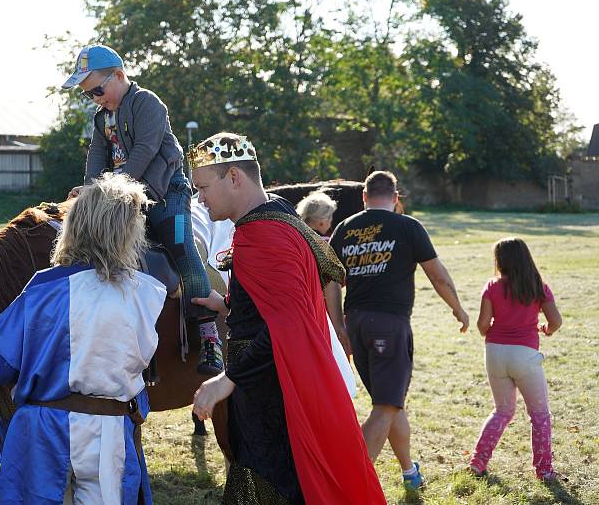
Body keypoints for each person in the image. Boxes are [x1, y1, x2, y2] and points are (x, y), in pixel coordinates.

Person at [189, 132, 384, 504]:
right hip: (273, 388)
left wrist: (226, 379)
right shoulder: (277, 213)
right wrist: (227, 303)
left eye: (203, 187)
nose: (200, 198)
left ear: (234, 177)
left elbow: (290, 322)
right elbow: (275, 304)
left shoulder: (263, 233)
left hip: (276, 400)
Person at [0, 174, 166, 504]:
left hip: (41, 432)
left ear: (75, 226)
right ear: (127, 234)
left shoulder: (42, 287)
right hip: (110, 433)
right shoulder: (145, 293)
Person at [62, 44, 222, 375]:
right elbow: (96, 154)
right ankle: (138, 341)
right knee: (117, 257)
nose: (95, 98)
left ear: (119, 75)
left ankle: (209, 337)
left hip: (166, 195)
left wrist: (114, 186)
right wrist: (92, 188)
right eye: (88, 94)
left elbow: (147, 150)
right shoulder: (101, 118)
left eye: (97, 89)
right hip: (128, 198)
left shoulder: (147, 103)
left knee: (181, 246)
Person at [329, 170, 469, 490]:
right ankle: (347, 485)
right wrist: (458, 308)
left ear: (364, 197)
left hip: (356, 323)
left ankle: (409, 472)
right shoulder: (408, 226)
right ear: (395, 198)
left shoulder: (345, 228)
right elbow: (439, 276)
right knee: (386, 406)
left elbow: (331, 281)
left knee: (390, 402)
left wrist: (339, 327)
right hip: (389, 325)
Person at [466, 237, 562, 481]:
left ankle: (478, 461)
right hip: (526, 354)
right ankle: (544, 470)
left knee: (502, 410)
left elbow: (482, 325)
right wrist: (546, 330)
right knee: (539, 415)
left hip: (495, 352)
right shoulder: (538, 286)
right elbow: (556, 322)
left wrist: (495, 331)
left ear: (501, 261)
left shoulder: (492, 286)